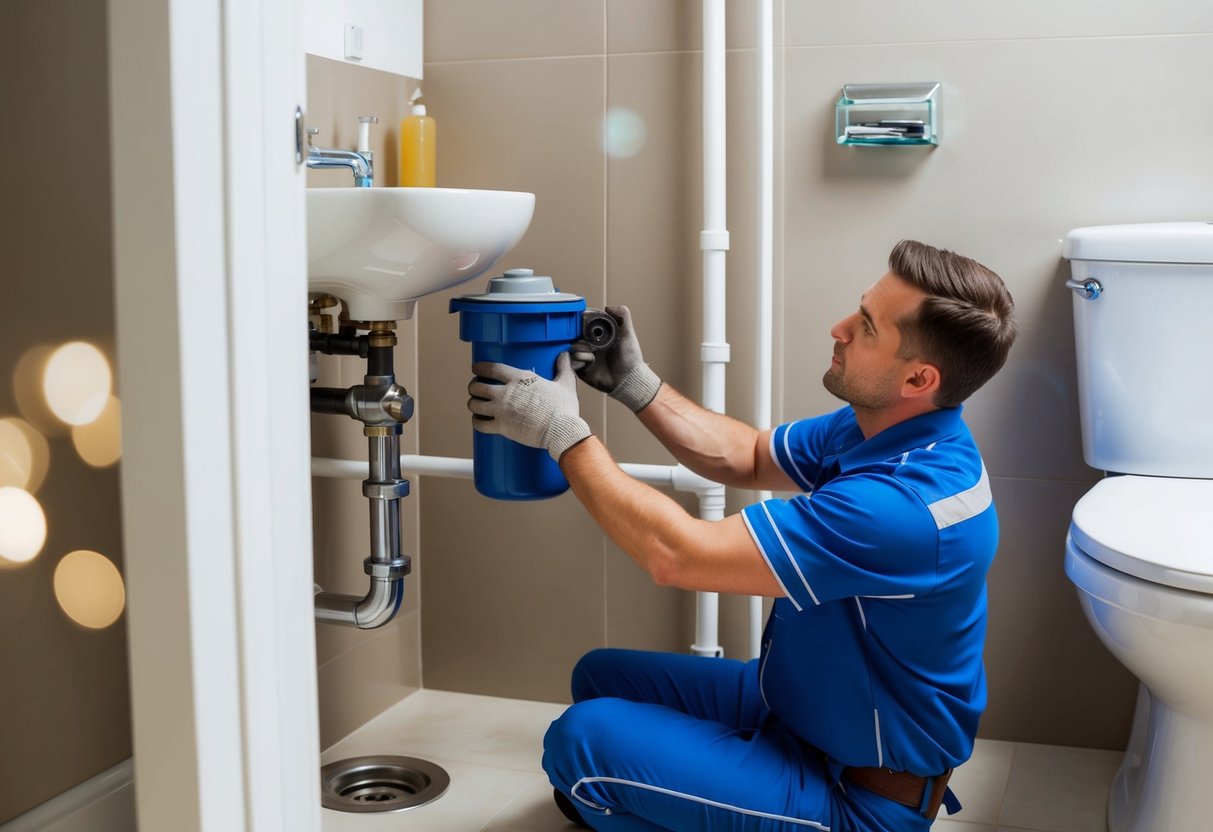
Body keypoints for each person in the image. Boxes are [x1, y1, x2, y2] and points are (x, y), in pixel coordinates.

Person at [466, 240, 1017, 832]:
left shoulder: (899, 510)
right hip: (798, 712)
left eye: (865, 327)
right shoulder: (893, 427)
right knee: (599, 678)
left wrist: (561, 431)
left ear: (918, 376)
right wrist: (635, 383)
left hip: (857, 796)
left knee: (581, 746)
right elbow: (748, 455)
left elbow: (676, 555)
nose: (839, 329)